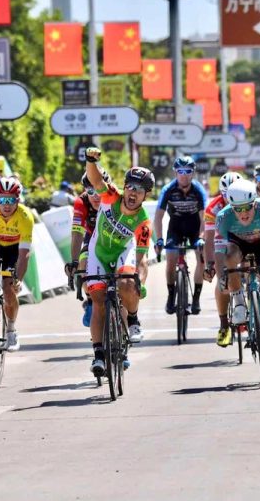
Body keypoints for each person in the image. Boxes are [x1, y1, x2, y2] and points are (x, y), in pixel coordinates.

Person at [83, 147, 152, 376]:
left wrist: (138, 283)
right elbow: (95, 179)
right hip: (99, 252)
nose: (133, 193)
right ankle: (99, 355)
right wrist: (91, 160)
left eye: (139, 190)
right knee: (98, 299)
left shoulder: (143, 222)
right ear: (124, 187)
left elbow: (141, 259)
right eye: (130, 186)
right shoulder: (110, 196)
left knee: (126, 284)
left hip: (124, 253)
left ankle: (132, 320)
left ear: (146, 196)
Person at [214, 179, 260, 369]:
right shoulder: (223, 216)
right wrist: (221, 276)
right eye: (237, 209)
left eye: (247, 207)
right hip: (237, 244)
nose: (244, 213)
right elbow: (219, 251)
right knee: (229, 257)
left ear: (255, 202)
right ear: (231, 207)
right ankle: (239, 302)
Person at [153, 156, 207, 315]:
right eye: (180, 171)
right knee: (170, 261)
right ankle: (171, 296)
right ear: (175, 172)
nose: (184, 175)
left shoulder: (198, 190)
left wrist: (202, 237)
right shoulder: (168, 190)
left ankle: (196, 299)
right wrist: (160, 239)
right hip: (175, 226)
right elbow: (158, 217)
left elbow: (204, 218)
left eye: (188, 171)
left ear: (193, 173)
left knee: (201, 257)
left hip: (195, 227)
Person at [0, 177, 35, 352]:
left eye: (11, 200)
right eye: (2, 200)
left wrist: (19, 279)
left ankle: (11, 330)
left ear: (18, 199)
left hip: (13, 251)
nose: (6, 205)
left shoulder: (25, 217)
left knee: (8, 291)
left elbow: (24, 254)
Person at [65, 168, 114, 327]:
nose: (95, 196)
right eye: (90, 191)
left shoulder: (114, 198)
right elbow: (77, 232)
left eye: (98, 190)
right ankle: (91, 300)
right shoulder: (81, 202)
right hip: (91, 238)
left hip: (113, 239)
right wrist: (73, 260)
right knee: (83, 266)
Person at [203, 172, 244, 339]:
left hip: (244, 238)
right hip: (223, 241)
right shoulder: (213, 208)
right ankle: (224, 325)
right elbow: (210, 240)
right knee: (222, 283)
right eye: (226, 194)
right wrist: (209, 265)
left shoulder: (248, 202)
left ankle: (256, 308)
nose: (230, 197)